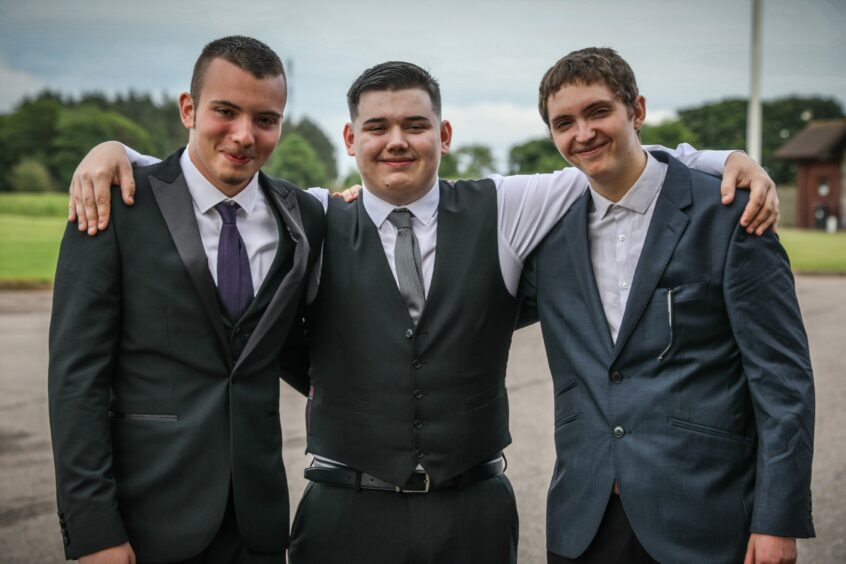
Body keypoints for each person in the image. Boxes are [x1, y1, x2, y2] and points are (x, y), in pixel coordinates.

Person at [66, 61, 777, 564]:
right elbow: (199, 170)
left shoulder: (507, 205)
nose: (395, 140)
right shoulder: (307, 214)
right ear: (351, 141)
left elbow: (607, 154)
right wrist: (111, 150)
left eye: (415, 124)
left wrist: (727, 156)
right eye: (376, 127)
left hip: (474, 510)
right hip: (343, 509)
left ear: (444, 134)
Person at [520, 48, 815, 564]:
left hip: (705, 518)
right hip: (583, 524)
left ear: (637, 110)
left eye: (597, 112)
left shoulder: (729, 217)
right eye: (564, 122)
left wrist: (777, 518)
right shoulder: (546, 238)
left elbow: (782, 379)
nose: (582, 134)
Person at [48, 36, 324, 564]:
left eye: (266, 119)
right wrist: (93, 530)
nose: (244, 135)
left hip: (259, 527)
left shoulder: (303, 218)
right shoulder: (114, 207)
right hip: (144, 523)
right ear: (188, 109)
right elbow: (76, 381)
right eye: (225, 111)